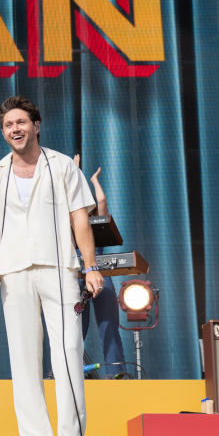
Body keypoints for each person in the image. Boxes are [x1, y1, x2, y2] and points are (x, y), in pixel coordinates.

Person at [0, 96, 104, 436]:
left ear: (36, 126)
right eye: (8, 125)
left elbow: (80, 221)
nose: (15, 129)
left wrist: (91, 267)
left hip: (58, 269)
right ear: (3, 133)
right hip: (14, 274)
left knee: (68, 350)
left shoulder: (62, 167)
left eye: (21, 122)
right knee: (24, 357)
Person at [72, 155, 128, 379]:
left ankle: (117, 373)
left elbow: (102, 202)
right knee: (75, 332)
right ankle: (71, 374)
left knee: (109, 327)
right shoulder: (70, 221)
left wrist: (94, 180)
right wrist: (74, 173)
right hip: (76, 279)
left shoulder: (98, 222)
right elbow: (68, 198)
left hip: (101, 276)